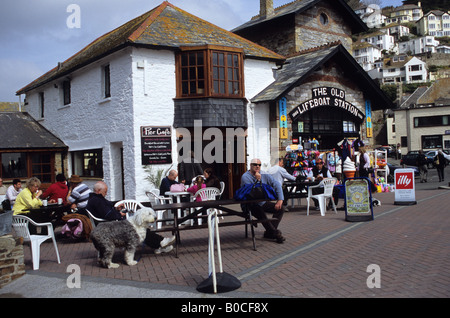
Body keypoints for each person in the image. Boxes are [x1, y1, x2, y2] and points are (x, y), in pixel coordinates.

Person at [87, 181, 175, 254]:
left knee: (140, 227)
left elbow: (106, 212)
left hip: (110, 224)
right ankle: (161, 242)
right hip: (110, 227)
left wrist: (116, 209)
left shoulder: (96, 199)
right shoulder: (97, 200)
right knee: (138, 228)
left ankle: (160, 245)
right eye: (105, 191)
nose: (106, 194)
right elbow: (108, 215)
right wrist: (119, 214)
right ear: (98, 191)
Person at [241, 158, 285, 243]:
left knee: (281, 208)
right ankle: (275, 233)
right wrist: (258, 180)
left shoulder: (264, 174)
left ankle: (270, 232)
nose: (257, 166)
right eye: (255, 164)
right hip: (249, 204)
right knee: (260, 211)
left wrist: (280, 199)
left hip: (262, 202)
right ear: (250, 165)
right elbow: (252, 193)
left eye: (259, 165)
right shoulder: (245, 177)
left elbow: (276, 184)